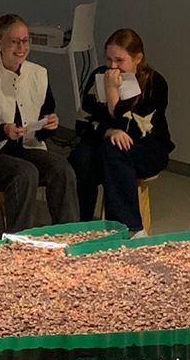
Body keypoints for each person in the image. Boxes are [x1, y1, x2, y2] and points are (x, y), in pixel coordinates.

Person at [0, 13, 78, 232]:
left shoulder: (38, 74)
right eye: (14, 41)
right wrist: (2, 131)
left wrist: (48, 126)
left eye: (25, 41)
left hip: (26, 148)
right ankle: (20, 240)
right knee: (25, 173)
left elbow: (42, 123)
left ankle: (68, 235)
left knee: (62, 169)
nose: (21, 47)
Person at [70, 28, 173, 233]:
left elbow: (135, 130)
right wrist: (109, 131)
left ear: (137, 59)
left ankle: (127, 227)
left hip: (147, 147)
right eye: (109, 59)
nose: (112, 67)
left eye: (119, 60)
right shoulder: (99, 75)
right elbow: (83, 123)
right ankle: (80, 224)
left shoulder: (154, 83)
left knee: (115, 151)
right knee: (81, 156)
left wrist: (112, 95)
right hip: (105, 140)